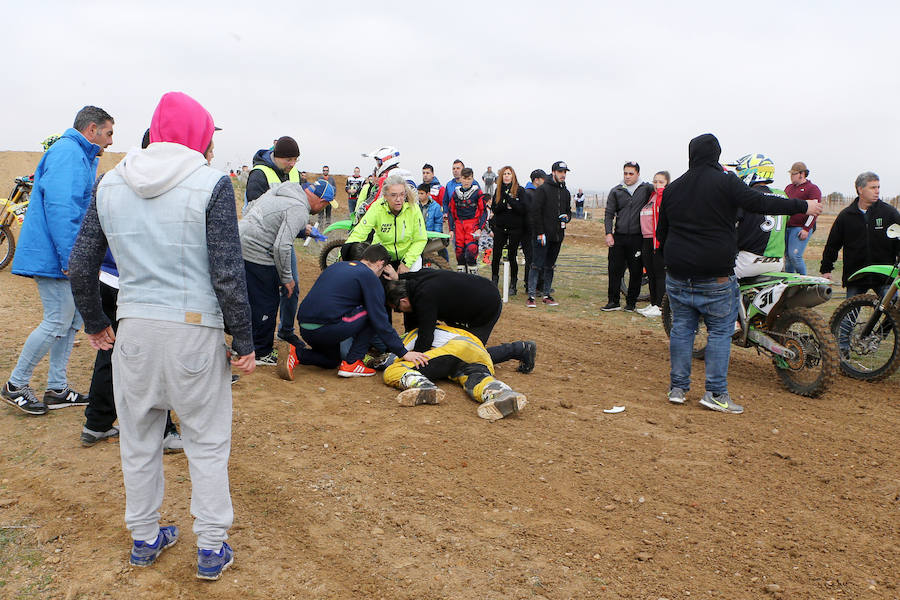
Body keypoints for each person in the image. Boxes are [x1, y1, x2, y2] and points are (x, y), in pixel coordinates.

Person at [69, 91, 255, 579]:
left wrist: (94, 321)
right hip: (194, 332)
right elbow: (228, 273)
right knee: (208, 442)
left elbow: (80, 263)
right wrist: (245, 339)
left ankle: (145, 537)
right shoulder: (211, 184)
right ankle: (212, 547)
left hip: (133, 330)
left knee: (138, 440)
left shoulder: (110, 183)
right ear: (198, 134)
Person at [657, 133, 821, 415]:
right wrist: (803, 206)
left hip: (679, 273)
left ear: (691, 155)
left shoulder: (672, 189)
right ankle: (715, 394)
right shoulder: (726, 182)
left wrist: (671, 264)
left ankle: (678, 388)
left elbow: (662, 234)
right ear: (717, 155)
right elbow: (763, 203)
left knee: (683, 329)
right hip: (716, 274)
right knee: (721, 332)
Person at [2, 106, 114, 416]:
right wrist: (71, 259)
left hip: (62, 254)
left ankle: (57, 387)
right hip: (56, 255)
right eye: (108, 133)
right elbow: (63, 210)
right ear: (92, 129)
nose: (110, 141)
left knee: (73, 319)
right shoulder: (68, 153)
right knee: (57, 319)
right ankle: (16, 384)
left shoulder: (80, 155)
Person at [80, 129, 185, 451]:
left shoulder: (115, 178)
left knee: (109, 354)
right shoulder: (164, 184)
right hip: (139, 286)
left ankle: (96, 423)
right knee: (155, 359)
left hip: (107, 278)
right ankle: (162, 431)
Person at [277, 244, 429, 379]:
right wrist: (403, 352)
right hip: (327, 327)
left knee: (331, 360)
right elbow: (380, 320)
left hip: (305, 327)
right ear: (380, 263)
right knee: (372, 313)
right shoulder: (369, 276)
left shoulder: (337, 266)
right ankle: (352, 362)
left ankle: (296, 353)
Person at [240, 180, 332, 365]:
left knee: (250, 298)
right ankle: (261, 351)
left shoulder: (283, 191)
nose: (323, 208)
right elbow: (281, 246)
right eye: (325, 204)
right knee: (267, 301)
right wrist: (287, 278)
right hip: (257, 252)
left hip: (241, 241)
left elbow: (252, 209)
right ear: (320, 200)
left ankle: (242, 344)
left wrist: (300, 230)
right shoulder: (299, 208)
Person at [384, 271, 536, 371]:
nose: (400, 312)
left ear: (403, 300)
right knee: (456, 348)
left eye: (398, 309)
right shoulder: (415, 281)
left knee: (470, 354)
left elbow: (426, 335)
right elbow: (407, 276)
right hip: (478, 292)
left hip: (486, 305)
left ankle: (521, 349)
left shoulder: (424, 297)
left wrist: (415, 360)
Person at [383, 325, 528, 421]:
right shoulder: (449, 329)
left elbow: (392, 358)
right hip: (481, 354)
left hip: (455, 349)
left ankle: (423, 385)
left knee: (393, 370)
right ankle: (502, 393)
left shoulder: (413, 333)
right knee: (477, 378)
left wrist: (375, 360)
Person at [821, 171, 900, 298]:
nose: (877, 191)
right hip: (856, 276)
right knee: (847, 316)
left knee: (894, 315)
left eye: (878, 187)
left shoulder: (889, 213)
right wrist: (826, 269)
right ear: (860, 189)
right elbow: (832, 245)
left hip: (884, 277)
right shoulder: (846, 216)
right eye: (873, 187)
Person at [345, 174, 428, 272]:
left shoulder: (413, 208)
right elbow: (359, 233)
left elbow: (420, 239)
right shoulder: (377, 207)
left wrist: (406, 263)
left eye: (402, 194)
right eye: (393, 195)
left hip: (408, 254)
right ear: (385, 196)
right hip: (383, 254)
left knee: (413, 280)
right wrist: (343, 254)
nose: (398, 199)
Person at [602, 162, 655, 312]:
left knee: (636, 271)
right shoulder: (616, 191)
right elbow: (609, 213)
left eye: (631, 173)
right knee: (614, 270)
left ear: (638, 174)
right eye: (625, 173)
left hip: (638, 237)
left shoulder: (646, 189)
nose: (627, 176)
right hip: (618, 237)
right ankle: (613, 301)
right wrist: (608, 233)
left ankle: (631, 303)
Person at [730, 154, 789, 278]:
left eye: (740, 171)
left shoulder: (748, 197)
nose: (738, 175)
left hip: (749, 261)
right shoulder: (782, 195)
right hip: (777, 262)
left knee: (715, 277)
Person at [526, 161, 571, 308]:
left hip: (557, 236)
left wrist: (567, 217)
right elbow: (535, 212)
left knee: (550, 266)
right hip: (542, 236)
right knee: (536, 265)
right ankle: (531, 296)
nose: (563, 175)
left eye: (564, 172)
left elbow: (568, 211)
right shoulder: (543, 190)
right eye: (560, 172)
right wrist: (539, 233)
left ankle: (546, 295)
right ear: (553, 172)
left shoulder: (566, 192)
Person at [489, 166, 528, 291]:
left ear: (513, 176)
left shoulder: (520, 190)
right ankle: (494, 279)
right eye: (504, 174)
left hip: (515, 229)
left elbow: (522, 209)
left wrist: (510, 200)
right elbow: (495, 209)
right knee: (496, 256)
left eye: (508, 173)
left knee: (512, 256)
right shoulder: (498, 190)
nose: (506, 176)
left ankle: (513, 283)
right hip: (500, 228)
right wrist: (504, 201)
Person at [636, 171, 670, 318]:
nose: (657, 185)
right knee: (650, 273)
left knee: (659, 273)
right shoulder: (652, 196)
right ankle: (653, 302)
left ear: (667, 183)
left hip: (658, 240)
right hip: (647, 239)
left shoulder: (664, 197)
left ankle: (660, 306)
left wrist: (661, 241)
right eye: (655, 181)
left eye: (661, 182)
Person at [784, 161, 823, 275]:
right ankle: (789, 281)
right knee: (788, 257)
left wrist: (806, 228)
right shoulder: (788, 188)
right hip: (788, 227)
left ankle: (804, 280)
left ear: (802, 174)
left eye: (793, 174)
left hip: (800, 227)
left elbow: (815, 211)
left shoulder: (812, 189)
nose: (791, 176)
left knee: (795, 256)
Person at [448, 168, 487, 273]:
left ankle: (474, 279)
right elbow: (451, 211)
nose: (466, 181)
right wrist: (451, 229)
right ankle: (462, 281)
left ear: (472, 179)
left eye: (469, 179)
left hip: (472, 225)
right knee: (459, 253)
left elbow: (484, 211)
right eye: (464, 178)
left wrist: (480, 228)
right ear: (460, 179)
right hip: (459, 225)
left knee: (471, 251)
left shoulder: (477, 192)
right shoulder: (455, 193)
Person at [244, 136, 302, 207]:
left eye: (295, 159)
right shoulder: (258, 174)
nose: (293, 164)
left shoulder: (295, 173)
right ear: (276, 157)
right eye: (288, 160)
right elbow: (255, 211)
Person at [521, 169, 546, 294]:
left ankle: (538, 285)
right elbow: (529, 215)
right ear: (536, 180)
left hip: (536, 231)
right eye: (543, 179)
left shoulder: (536, 193)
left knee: (538, 258)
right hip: (529, 232)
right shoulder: (529, 193)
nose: (545, 181)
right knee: (531, 259)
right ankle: (530, 286)